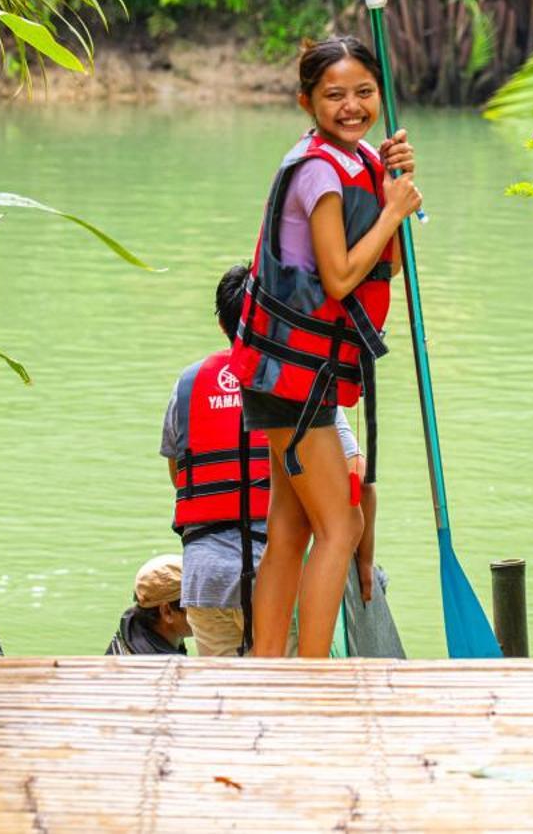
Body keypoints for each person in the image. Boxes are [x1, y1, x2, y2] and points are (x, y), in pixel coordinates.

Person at [230, 35, 419, 658]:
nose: (351, 106)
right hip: (294, 376)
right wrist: (392, 213)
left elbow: (382, 270)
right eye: (334, 95)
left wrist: (393, 186)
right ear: (305, 100)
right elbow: (339, 277)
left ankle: (268, 665)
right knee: (340, 524)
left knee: (289, 527)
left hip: (297, 373)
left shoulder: (360, 159)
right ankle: (310, 673)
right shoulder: (318, 171)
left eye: (364, 92)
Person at [160, 264, 367, 656]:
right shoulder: (298, 378)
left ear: (224, 325)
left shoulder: (187, 383)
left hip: (205, 578)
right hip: (275, 573)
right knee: (280, 693)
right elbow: (355, 468)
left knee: (224, 701)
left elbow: (179, 475)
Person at [105, 554, 191, 655]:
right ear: (167, 612)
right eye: (198, 602)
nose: (211, 606)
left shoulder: (131, 623)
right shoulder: (165, 667)